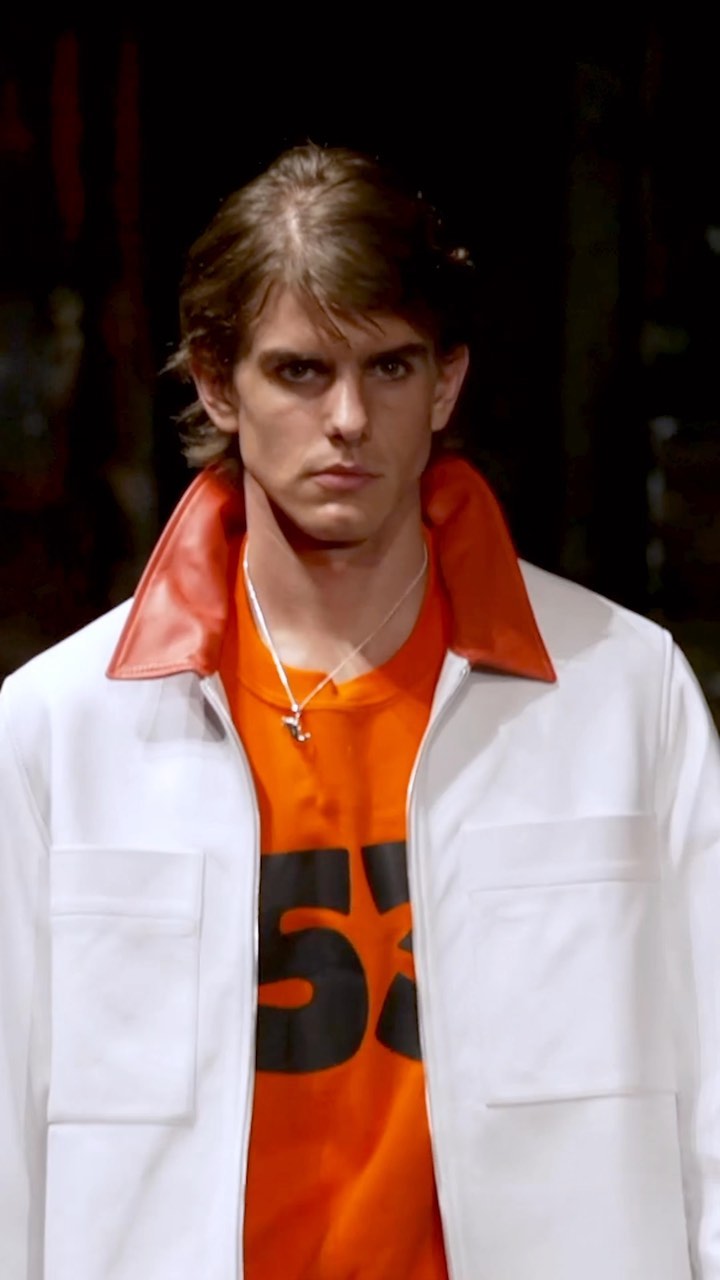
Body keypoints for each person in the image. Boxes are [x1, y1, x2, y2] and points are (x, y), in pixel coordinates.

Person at [1, 143, 719, 1280]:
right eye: (299, 371)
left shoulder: (625, 696)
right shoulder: (61, 728)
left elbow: (711, 1107)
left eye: (389, 367)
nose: (347, 418)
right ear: (216, 383)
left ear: (446, 383)